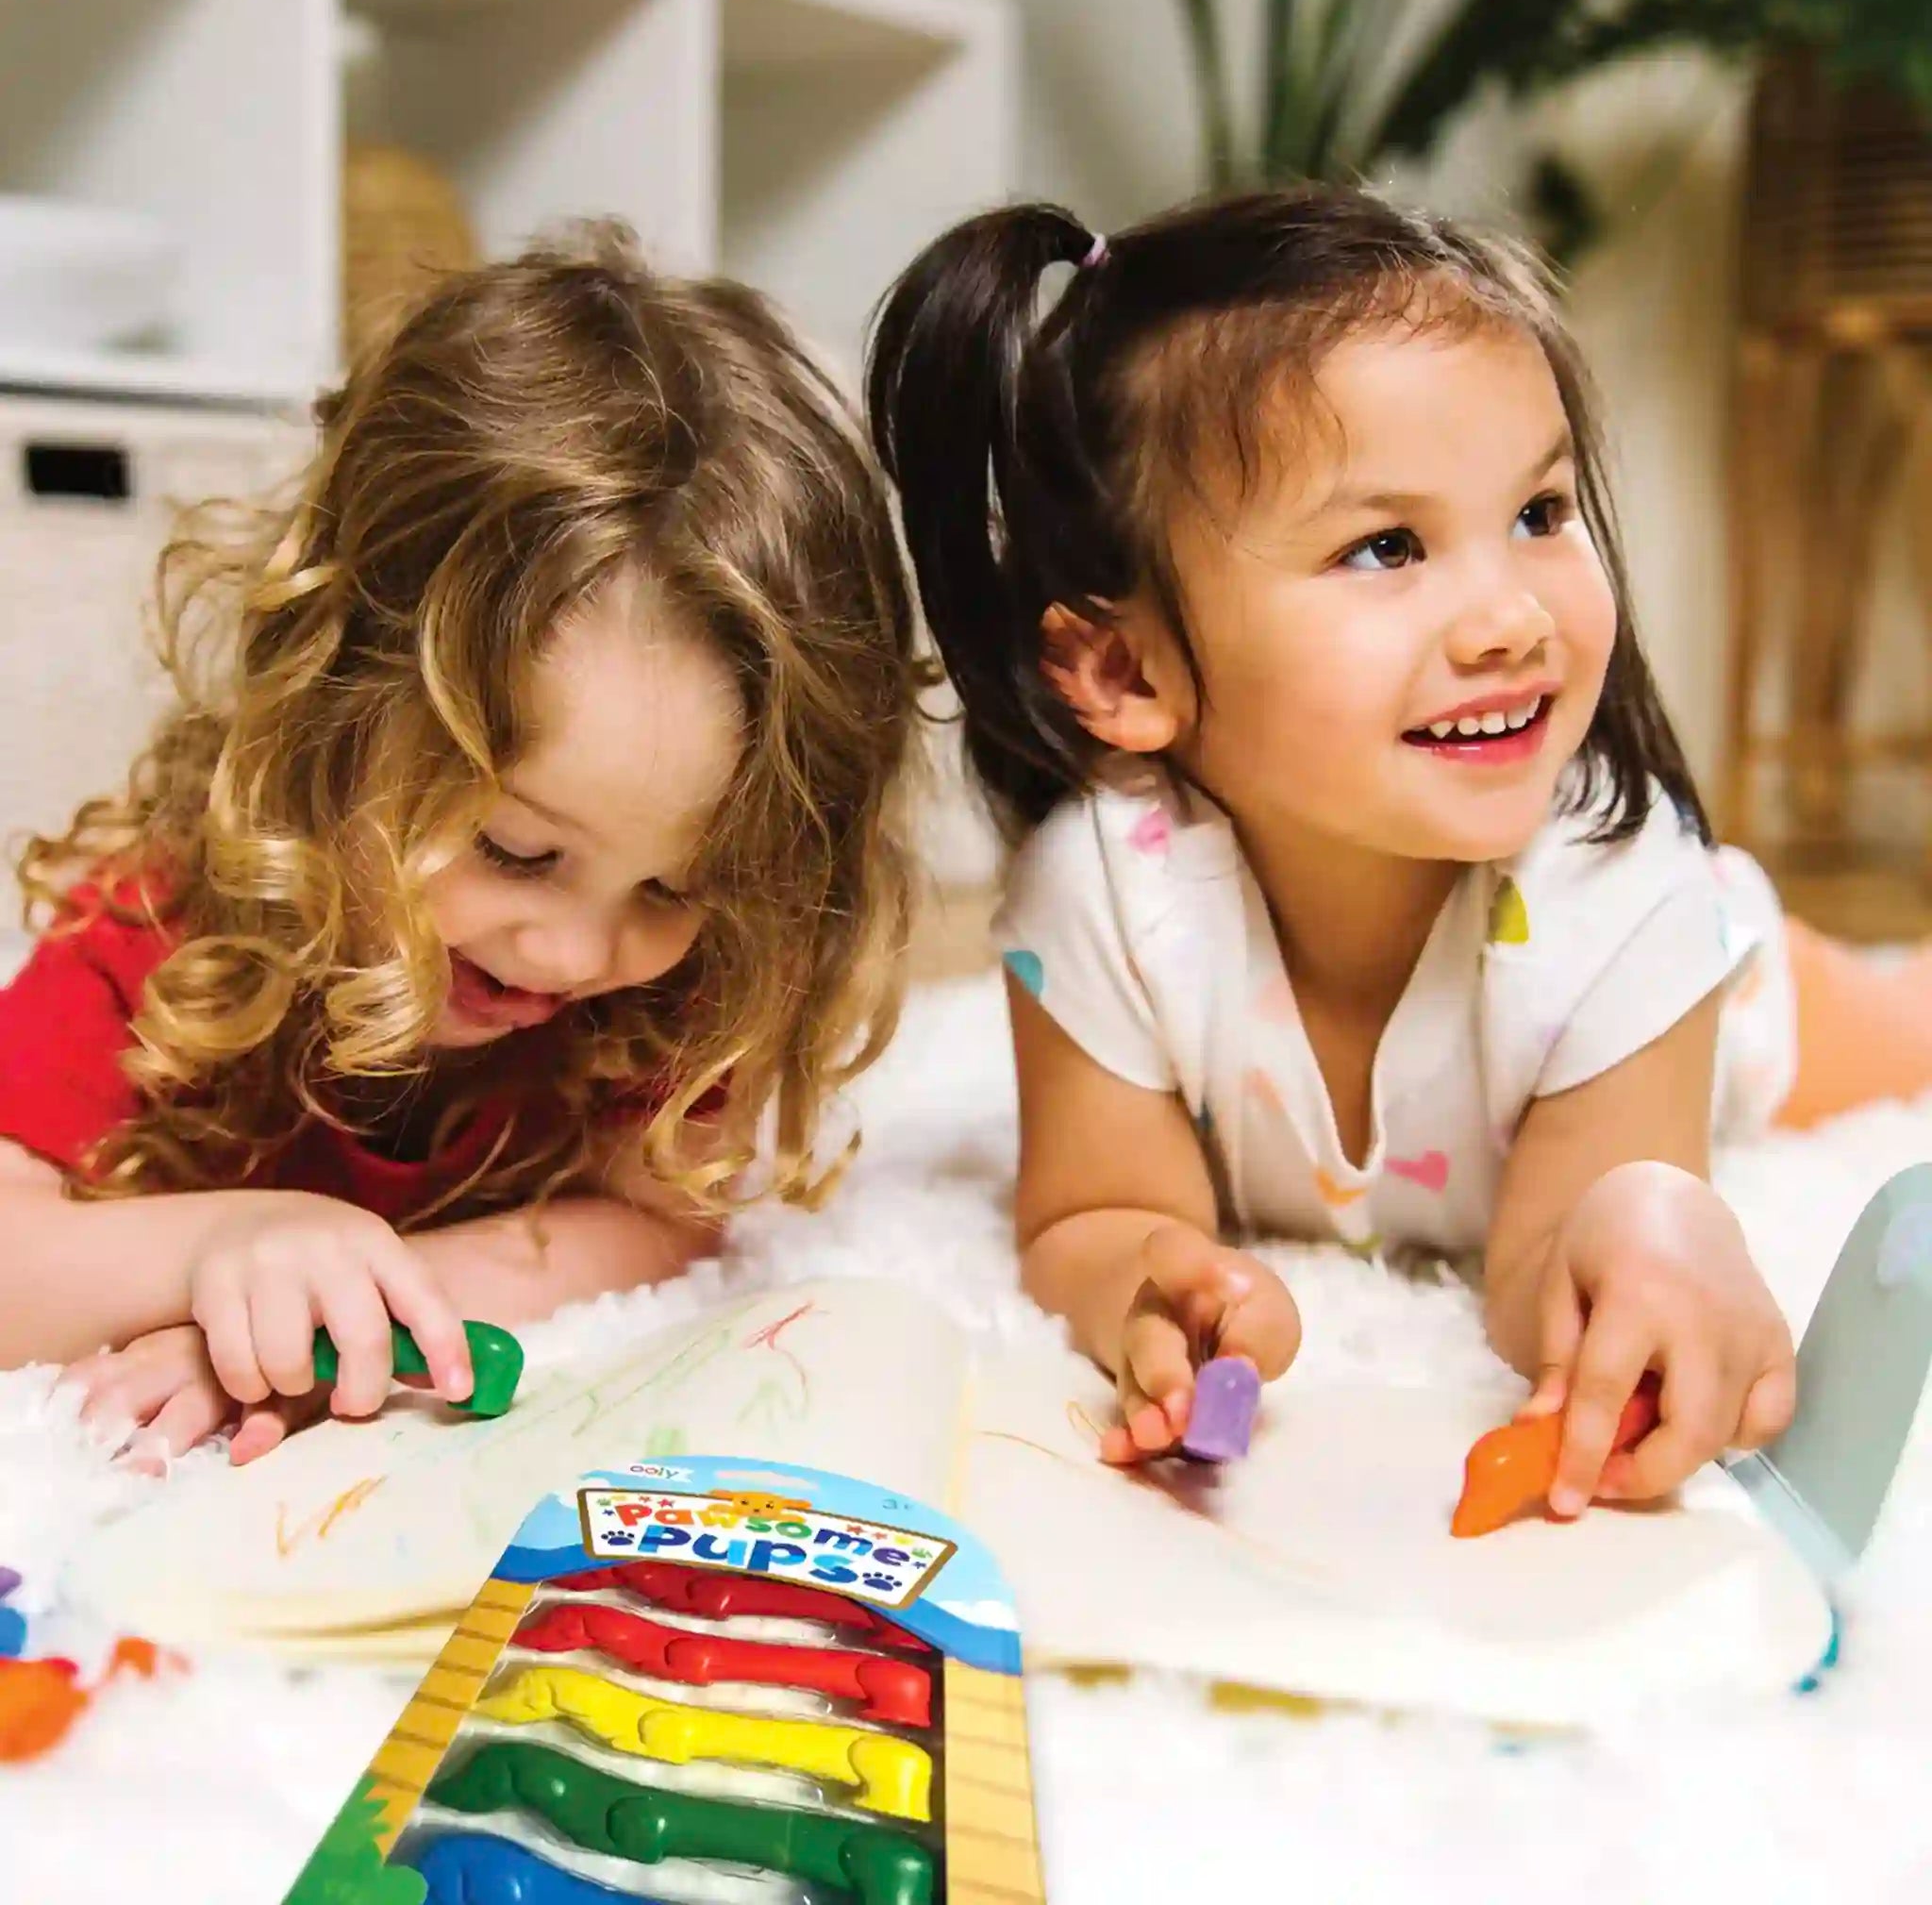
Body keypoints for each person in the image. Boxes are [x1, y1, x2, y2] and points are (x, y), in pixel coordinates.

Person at [867, 184, 1932, 1514]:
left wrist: (1647, 1231)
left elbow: (1545, 1253)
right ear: (1124, 668)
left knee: (1896, 1018)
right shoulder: (1103, 898)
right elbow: (1086, 1216)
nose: (1508, 619)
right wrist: (1155, 1285)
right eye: (1388, 546)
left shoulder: (1619, 895)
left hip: (1722, 976)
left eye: (1541, 514)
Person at [0, 225, 917, 1468]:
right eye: (518, 851)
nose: (580, 947)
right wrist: (225, 1250)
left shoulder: (673, 981)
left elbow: (658, 1227)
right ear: (336, 716)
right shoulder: (168, 923)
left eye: (673, 885)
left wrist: (349, 1308)